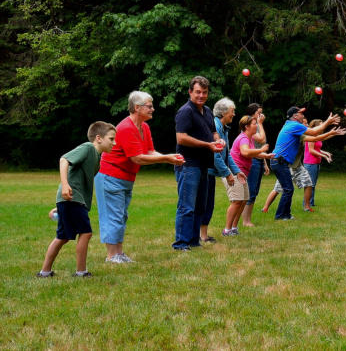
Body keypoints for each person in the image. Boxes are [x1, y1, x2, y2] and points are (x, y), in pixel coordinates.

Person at [95, 91, 184, 263]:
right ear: (137, 108)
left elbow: (149, 151)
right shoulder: (126, 128)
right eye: (149, 106)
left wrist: (168, 157)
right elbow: (137, 158)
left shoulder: (143, 127)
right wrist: (166, 158)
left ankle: (118, 254)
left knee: (121, 215)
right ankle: (112, 256)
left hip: (125, 178)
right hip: (110, 176)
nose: (153, 109)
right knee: (113, 215)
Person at [38, 121, 116, 277]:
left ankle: (45, 272)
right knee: (85, 233)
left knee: (63, 237)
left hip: (70, 200)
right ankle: (81, 272)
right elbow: (64, 160)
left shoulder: (97, 160)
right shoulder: (88, 148)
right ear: (99, 138)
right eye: (111, 139)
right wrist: (65, 186)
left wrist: (60, 204)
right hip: (73, 198)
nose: (114, 143)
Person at [173, 76, 224, 251]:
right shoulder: (185, 111)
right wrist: (207, 145)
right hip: (188, 164)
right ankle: (181, 243)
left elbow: (213, 131)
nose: (201, 95)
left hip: (203, 164)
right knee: (186, 206)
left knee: (199, 206)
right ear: (190, 92)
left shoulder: (207, 110)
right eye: (197, 92)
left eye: (204, 92)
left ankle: (194, 241)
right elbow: (181, 138)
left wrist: (218, 141)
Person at [268, 107, 342, 219]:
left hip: (280, 162)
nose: (303, 116)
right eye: (301, 113)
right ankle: (280, 215)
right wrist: (328, 121)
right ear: (295, 116)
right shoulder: (294, 125)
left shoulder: (293, 128)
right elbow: (314, 131)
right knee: (287, 189)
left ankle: (285, 214)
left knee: (288, 189)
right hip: (279, 161)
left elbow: (314, 138)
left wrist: (331, 133)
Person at [204, 98, 247, 240]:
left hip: (211, 171)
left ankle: (202, 236)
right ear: (223, 113)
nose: (234, 114)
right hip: (207, 170)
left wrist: (236, 171)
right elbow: (215, 155)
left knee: (208, 204)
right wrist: (227, 174)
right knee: (204, 205)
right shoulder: (215, 127)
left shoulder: (224, 128)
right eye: (232, 111)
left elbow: (226, 154)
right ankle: (200, 236)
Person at [241, 103, 269, 227]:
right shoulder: (251, 125)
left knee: (255, 191)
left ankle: (248, 220)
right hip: (252, 161)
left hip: (259, 159)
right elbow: (262, 140)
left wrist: (265, 163)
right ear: (252, 113)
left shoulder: (256, 125)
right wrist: (260, 124)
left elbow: (260, 147)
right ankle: (245, 221)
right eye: (259, 112)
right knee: (250, 191)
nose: (261, 115)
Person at [303, 119, 334, 207]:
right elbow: (311, 150)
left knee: (312, 185)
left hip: (315, 163)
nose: (322, 127)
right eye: (320, 125)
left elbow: (317, 148)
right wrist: (324, 156)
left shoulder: (317, 136)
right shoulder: (311, 136)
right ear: (316, 126)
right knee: (310, 185)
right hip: (310, 163)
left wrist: (325, 153)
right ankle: (306, 204)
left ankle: (310, 203)